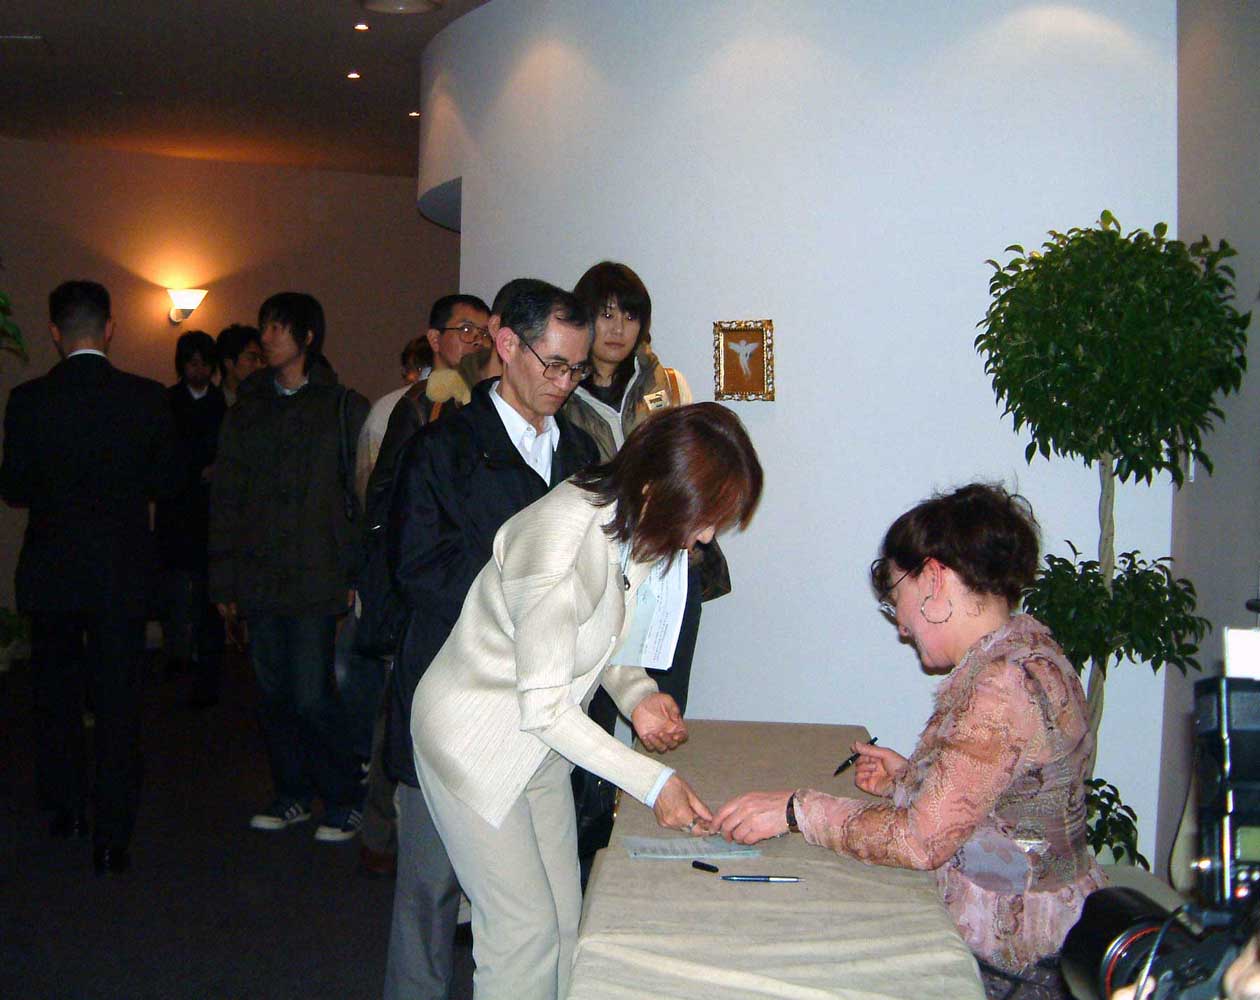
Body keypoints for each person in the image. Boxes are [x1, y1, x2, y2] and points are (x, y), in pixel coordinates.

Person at [411, 402, 764, 1000]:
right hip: (473, 739)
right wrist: (653, 783)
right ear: (660, 488)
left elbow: (602, 633)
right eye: (706, 518)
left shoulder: (629, 521)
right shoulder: (559, 540)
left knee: (564, 921)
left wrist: (640, 696)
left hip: (540, 742)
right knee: (522, 933)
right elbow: (547, 704)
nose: (706, 537)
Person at [713, 483, 1105, 999]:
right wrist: (910, 776)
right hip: (1054, 929)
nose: (901, 625)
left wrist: (796, 810)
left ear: (934, 580)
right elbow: (1004, 801)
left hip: (1015, 961)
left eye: (897, 600)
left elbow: (920, 842)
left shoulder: (1001, 685)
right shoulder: (1032, 651)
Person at [382, 279, 599, 1000]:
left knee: (550, 912)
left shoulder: (580, 452)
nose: (565, 382)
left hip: (539, 710)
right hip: (459, 701)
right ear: (507, 345)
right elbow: (418, 569)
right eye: (553, 363)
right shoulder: (442, 448)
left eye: (577, 369)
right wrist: (530, 609)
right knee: (431, 896)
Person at [0, 280, 180, 875]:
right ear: (109, 328)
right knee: (118, 703)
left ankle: (67, 808)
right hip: (120, 572)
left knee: (55, 697)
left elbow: (14, 487)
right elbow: (166, 482)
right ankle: (111, 835)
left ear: (55, 332)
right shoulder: (145, 398)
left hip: (52, 572)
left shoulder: (28, 400)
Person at [563, 260, 711, 881]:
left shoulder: (665, 385)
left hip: (668, 565)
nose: (617, 328)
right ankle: (590, 833)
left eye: (629, 315)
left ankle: (657, 818)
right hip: (596, 570)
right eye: (605, 314)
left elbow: (693, 466)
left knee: (662, 697)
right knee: (592, 701)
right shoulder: (562, 392)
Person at [208, 291, 370, 843]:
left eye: (279, 328)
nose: (267, 337)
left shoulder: (341, 406)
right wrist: (224, 579)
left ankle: (344, 795)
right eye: (265, 327)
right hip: (260, 574)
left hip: (316, 574)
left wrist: (353, 574)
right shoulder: (248, 407)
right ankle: (292, 792)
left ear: (306, 337)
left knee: (312, 693)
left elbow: (359, 497)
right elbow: (227, 497)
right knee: (272, 695)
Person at [352, 303, 487, 880]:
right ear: (435, 338)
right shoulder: (409, 408)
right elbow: (379, 501)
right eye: (465, 330)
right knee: (403, 710)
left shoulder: (483, 402)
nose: (476, 340)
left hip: (462, 586)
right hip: (415, 586)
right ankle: (380, 831)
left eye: (484, 331)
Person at [155, 329, 227, 707]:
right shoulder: (167, 402)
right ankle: (177, 654)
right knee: (172, 588)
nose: (197, 370)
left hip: (210, 513)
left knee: (206, 593)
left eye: (203, 363)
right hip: (176, 507)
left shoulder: (222, 405)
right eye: (191, 363)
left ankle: (206, 667)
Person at [214, 323, 263, 406]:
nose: (259, 365)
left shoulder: (266, 401)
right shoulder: (210, 402)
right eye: (252, 358)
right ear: (228, 363)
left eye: (261, 359)